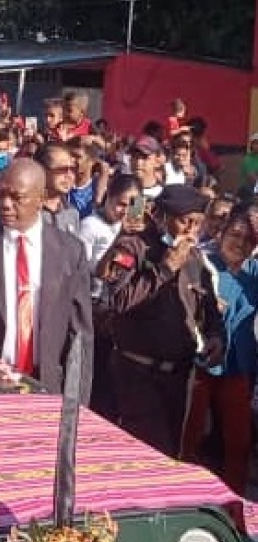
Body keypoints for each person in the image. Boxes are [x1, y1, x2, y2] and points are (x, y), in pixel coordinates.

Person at [0, 158, 93, 401]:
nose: (5, 204)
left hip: (44, 385)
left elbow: (81, 334)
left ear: (41, 198)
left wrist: (78, 402)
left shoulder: (69, 251)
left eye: (17, 197)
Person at [104, 184, 224, 458]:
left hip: (178, 377)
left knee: (172, 453)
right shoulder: (133, 247)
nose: (191, 230)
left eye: (198, 223)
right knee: (151, 451)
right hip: (137, 374)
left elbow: (208, 309)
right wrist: (165, 270)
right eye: (185, 221)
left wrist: (217, 337)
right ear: (162, 217)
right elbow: (120, 301)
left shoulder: (195, 257)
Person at [181, 211, 258, 495]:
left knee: (238, 440)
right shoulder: (202, 265)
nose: (240, 243)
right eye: (235, 235)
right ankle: (184, 496)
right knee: (190, 433)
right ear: (221, 235)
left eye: (248, 239)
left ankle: (234, 504)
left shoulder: (254, 273)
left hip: (238, 365)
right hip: (200, 364)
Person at [78, 173, 144, 420]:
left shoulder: (133, 228)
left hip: (122, 307)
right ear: (108, 197)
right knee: (100, 374)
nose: (124, 210)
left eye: (132, 205)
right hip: (96, 308)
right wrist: (120, 238)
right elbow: (89, 270)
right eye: (120, 203)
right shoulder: (91, 226)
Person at [33, 143, 80, 235]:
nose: (69, 175)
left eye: (73, 169)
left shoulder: (72, 213)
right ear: (41, 169)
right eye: (62, 169)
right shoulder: (27, 212)